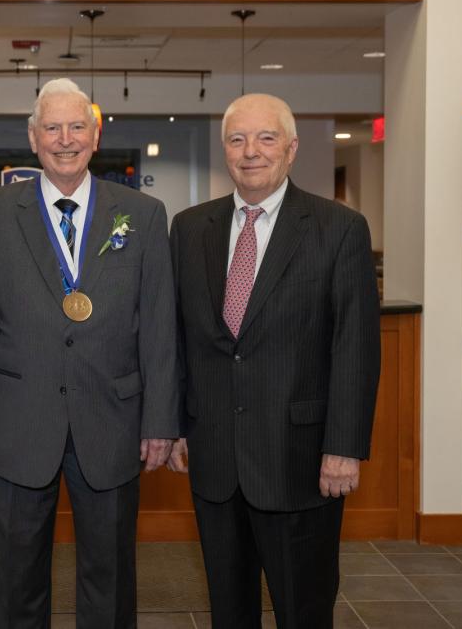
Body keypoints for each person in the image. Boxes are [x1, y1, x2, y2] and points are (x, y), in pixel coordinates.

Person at [0, 78, 179, 629]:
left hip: (114, 419)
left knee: (111, 575)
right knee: (18, 576)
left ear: (96, 135)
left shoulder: (143, 214)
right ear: (33, 137)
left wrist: (161, 422)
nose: (65, 139)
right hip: (19, 421)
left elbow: (159, 328)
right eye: (52, 127)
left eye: (77, 126)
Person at [168, 93, 380, 629]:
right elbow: (178, 339)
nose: (250, 152)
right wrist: (171, 426)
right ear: (224, 151)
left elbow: (355, 348)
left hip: (302, 462)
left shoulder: (339, 228)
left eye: (265, 138)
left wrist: (343, 448)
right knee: (229, 611)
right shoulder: (190, 229)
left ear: (291, 148)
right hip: (216, 461)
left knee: (303, 610)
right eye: (237, 140)